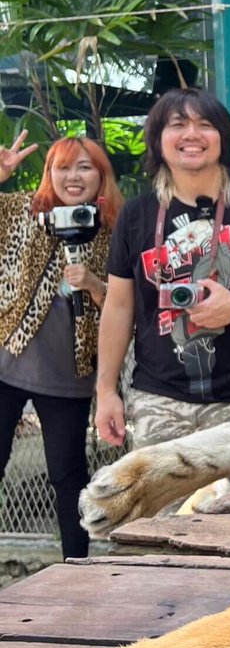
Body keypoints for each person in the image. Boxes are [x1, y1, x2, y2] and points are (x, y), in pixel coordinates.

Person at [95, 88, 230, 453]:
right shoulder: (137, 214)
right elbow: (118, 306)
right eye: (178, 125)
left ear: (222, 139)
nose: (192, 134)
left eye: (205, 125)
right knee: (162, 511)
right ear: (158, 141)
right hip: (157, 400)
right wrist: (105, 392)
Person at [0, 132, 124, 558]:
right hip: (8, 363)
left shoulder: (116, 229)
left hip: (70, 375)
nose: (73, 176)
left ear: (101, 175)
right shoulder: (22, 212)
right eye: (63, 167)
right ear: (49, 174)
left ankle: (76, 569)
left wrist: (94, 285)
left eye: (84, 167)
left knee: (68, 475)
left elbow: (130, 305)